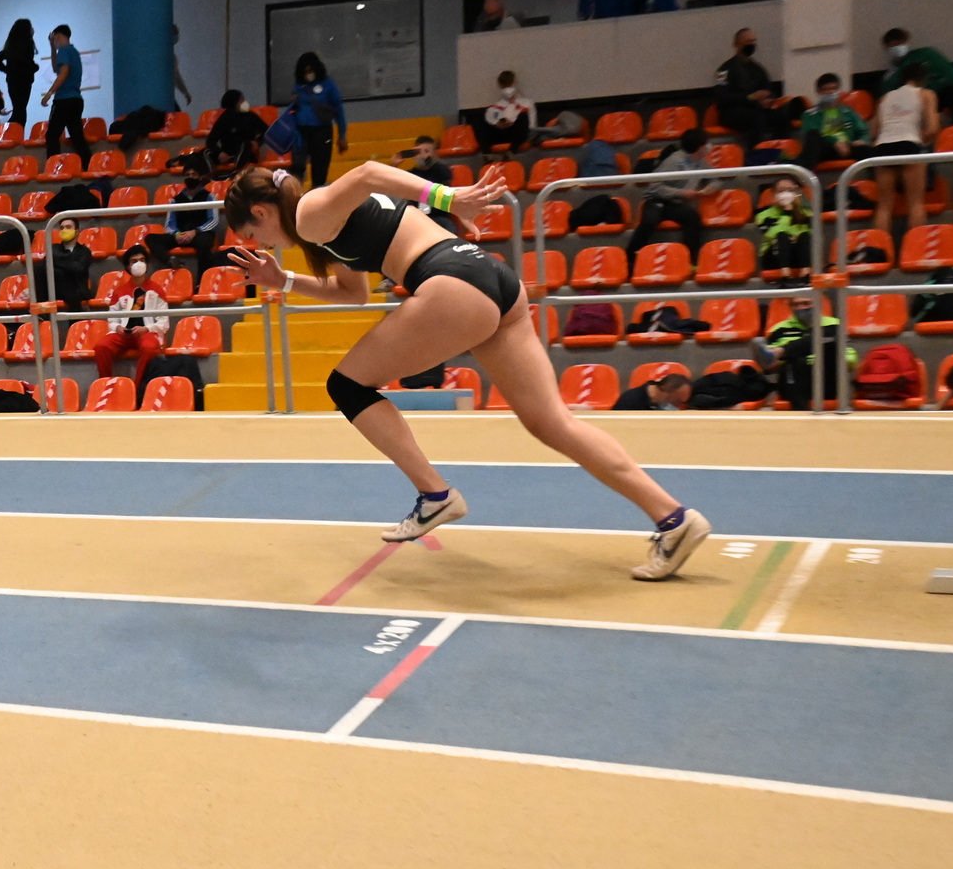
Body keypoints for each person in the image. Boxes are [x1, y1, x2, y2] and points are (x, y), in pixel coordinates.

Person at [221, 162, 710, 580]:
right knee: (551, 423)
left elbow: (368, 173)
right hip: (492, 278)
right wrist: (282, 279)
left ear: (261, 212)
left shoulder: (310, 212)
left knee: (346, 386)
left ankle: (434, 494)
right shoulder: (323, 226)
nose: (259, 243)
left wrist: (448, 197)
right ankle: (674, 519)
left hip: (450, 281)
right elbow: (353, 294)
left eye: (252, 234)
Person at [871, 62, 939, 234]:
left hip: (883, 146)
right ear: (923, 79)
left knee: (884, 204)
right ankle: (916, 247)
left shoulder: (885, 98)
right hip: (909, 143)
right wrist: (921, 141)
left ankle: (880, 247)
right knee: (915, 203)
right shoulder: (926, 94)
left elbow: (874, 132)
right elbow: (933, 129)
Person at [629, 127, 716, 260]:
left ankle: (691, 260)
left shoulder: (701, 163)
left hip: (675, 205)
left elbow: (716, 178)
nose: (709, 146)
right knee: (649, 222)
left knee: (692, 217)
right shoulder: (673, 161)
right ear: (700, 147)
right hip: (656, 201)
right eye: (706, 143)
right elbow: (654, 187)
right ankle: (630, 257)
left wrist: (709, 188)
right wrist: (682, 193)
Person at [93, 245, 169, 395]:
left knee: (149, 348)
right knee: (101, 346)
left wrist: (146, 329)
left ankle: (137, 389)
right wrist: (118, 328)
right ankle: (106, 386)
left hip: (147, 332)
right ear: (128, 266)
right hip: (124, 334)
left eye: (142, 260)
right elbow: (112, 319)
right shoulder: (119, 291)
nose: (138, 263)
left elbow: (163, 322)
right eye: (134, 261)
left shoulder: (157, 290)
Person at [146, 153, 224, 280]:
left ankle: (201, 280)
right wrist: (177, 234)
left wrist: (195, 231)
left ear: (200, 177)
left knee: (205, 243)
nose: (190, 177)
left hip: (199, 234)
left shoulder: (209, 197)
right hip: (180, 235)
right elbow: (169, 223)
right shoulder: (176, 200)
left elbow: (214, 221)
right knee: (151, 238)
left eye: (193, 174)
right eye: (188, 175)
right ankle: (171, 261)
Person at [714, 27, 792, 147]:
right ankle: (756, 154)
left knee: (781, 117)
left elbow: (768, 89)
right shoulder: (723, 70)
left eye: (753, 41)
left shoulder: (757, 69)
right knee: (756, 119)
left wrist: (768, 100)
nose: (751, 45)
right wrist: (750, 97)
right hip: (732, 112)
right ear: (737, 44)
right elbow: (721, 97)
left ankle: (778, 152)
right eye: (748, 42)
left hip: (756, 109)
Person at [880, 28, 953, 128]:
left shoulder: (925, 54)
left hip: (941, 92)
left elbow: (947, 69)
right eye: (894, 45)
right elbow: (890, 95)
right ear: (886, 47)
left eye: (901, 43)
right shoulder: (891, 75)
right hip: (920, 101)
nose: (898, 48)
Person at [285, 52, 349, 186]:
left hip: (322, 131)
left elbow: (338, 110)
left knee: (320, 168)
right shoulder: (299, 85)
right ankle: (295, 194)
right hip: (301, 131)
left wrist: (342, 135)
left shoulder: (328, 84)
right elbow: (293, 110)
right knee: (297, 166)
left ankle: (316, 193)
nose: (308, 74)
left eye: (311, 70)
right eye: (305, 72)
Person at [797, 73, 871, 171]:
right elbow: (812, 135)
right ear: (818, 92)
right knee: (813, 138)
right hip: (824, 150)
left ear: (839, 90)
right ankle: (805, 177)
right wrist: (834, 142)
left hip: (848, 147)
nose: (830, 92)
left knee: (869, 151)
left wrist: (862, 140)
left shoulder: (848, 111)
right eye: (825, 89)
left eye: (833, 88)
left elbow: (863, 131)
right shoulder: (810, 115)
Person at [40, 24, 89, 163]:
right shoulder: (73, 52)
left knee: (52, 135)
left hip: (63, 100)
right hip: (76, 99)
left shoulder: (64, 51)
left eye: (54, 38)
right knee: (77, 137)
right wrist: (52, 48)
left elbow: (63, 73)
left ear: (57, 36)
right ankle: (89, 165)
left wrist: (50, 93)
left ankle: (53, 167)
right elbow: (56, 68)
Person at [754, 177, 812, 282]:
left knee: (805, 236)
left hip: (798, 254)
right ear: (774, 195)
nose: (786, 194)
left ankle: (806, 274)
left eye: (790, 190)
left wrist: (795, 237)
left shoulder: (806, 213)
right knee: (782, 236)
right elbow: (770, 235)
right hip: (773, 257)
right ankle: (785, 275)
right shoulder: (763, 215)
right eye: (781, 191)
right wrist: (787, 213)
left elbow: (811, 233)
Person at [0, 18, 41, 128]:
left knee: (18, 110)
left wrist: (7, 70)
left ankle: (12, 132)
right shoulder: (28, 45)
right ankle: (10, 132)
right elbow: (27, 65)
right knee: (21, 111)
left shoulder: (11, 46)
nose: (33, 29)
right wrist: (35, 67)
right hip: (25, 81)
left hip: (12, 81)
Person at [475, 71, 536, 154]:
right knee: (478, 117)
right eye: (505, 85)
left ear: (515, 83)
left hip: (516, 135)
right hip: (499, 134)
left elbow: (531, 126)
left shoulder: (527, 103)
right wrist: (497, 123)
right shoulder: (496, 106)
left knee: (523, 116)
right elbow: (493, 120)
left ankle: (511, 152)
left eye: (510, 84)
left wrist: (513, 121)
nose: (508, 89)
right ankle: (487, 154)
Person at [41, 218, 94, 314]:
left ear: (77, 232)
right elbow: (45, 267)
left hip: (77, 289)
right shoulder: (53, 248)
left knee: (60, 275)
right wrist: (68, 264)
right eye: (62, 228)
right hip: (56, 290)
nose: (64, 230)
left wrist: (57, 261)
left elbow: (79, 268)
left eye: (68, 227)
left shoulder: (84, 251)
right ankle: (41, 312)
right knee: (40, 271)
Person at [205, 90, 267, 171]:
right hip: (228, 154)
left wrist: (258, 142)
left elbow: (266, 131)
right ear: (234, 103)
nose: (244, 102)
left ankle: (237, 169)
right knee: (205, 152)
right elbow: (210, 140)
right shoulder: (224, 119)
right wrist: (219, 153)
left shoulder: (250, 116)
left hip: (247, 152)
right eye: (241, 100)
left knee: (246, 145)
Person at [612, 372, 693, 410]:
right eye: (676, 401)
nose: (677, 407)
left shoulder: (661, 403)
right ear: (663, 389)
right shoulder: (630, 401)